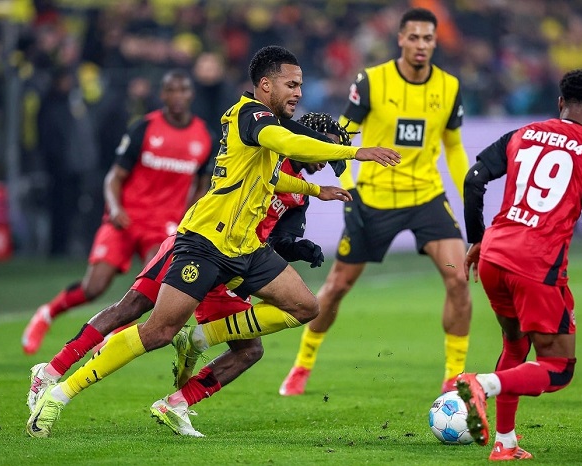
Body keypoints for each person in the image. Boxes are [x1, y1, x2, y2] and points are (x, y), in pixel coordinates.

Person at [26, 45, 400, 438]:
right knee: (154, 328)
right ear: (265, 84)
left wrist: (315, 190)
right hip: (205, 241)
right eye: (291, 85)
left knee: (305, 307)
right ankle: (59, 391)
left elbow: (270, 177)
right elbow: (290, 144)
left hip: (245, 248)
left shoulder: (269, 128)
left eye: (300, 86)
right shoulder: (250, 115)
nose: (299, 93)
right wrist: (357, 152)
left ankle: (197, 345)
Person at [25, 112, 349, 420]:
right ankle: (51, 372)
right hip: (199, 243)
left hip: (238, 264)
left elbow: (277, 240)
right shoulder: (265, 151)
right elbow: (262, 171)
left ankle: (178, 400)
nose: (325, 159)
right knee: (135, 307)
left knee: (249, 350)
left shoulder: (298, 198)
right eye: (325, 147)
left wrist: (297, 247)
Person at [455, 69, 582, 460]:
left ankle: (505, 443)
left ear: (560, 103)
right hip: (536, 264)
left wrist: (477, 238)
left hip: (494, 254)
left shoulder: (522, 134)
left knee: (515, 345)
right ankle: (481, 384)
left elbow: (474, 179)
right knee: (559, 367)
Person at [280, 7, 472, 397]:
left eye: (428, 38)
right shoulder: (371, 81)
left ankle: (454, 375)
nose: (421, 45)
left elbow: (453, 145)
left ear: (435, 42)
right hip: (375, 198)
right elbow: (343, 137)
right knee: (337, 286)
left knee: (458, 277)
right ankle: (302, 363)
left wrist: (469, 196)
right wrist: (350, 190)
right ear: (400, 39)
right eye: (413, 37)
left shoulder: (449, 86)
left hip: (426, 197)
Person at [21, 69, 214, 355]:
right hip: (126, 218)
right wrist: (115, 207)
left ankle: (111, 337)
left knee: (154, 289)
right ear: (162, 95)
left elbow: (203, 185)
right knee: (94, 287)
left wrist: (187, 218)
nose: (177, 96)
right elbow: (114, 176)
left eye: (183, 90)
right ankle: (47, 314)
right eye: (171, 90)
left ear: (191, 94)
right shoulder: (144, 128)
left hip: (163, 226)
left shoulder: (204, 137)